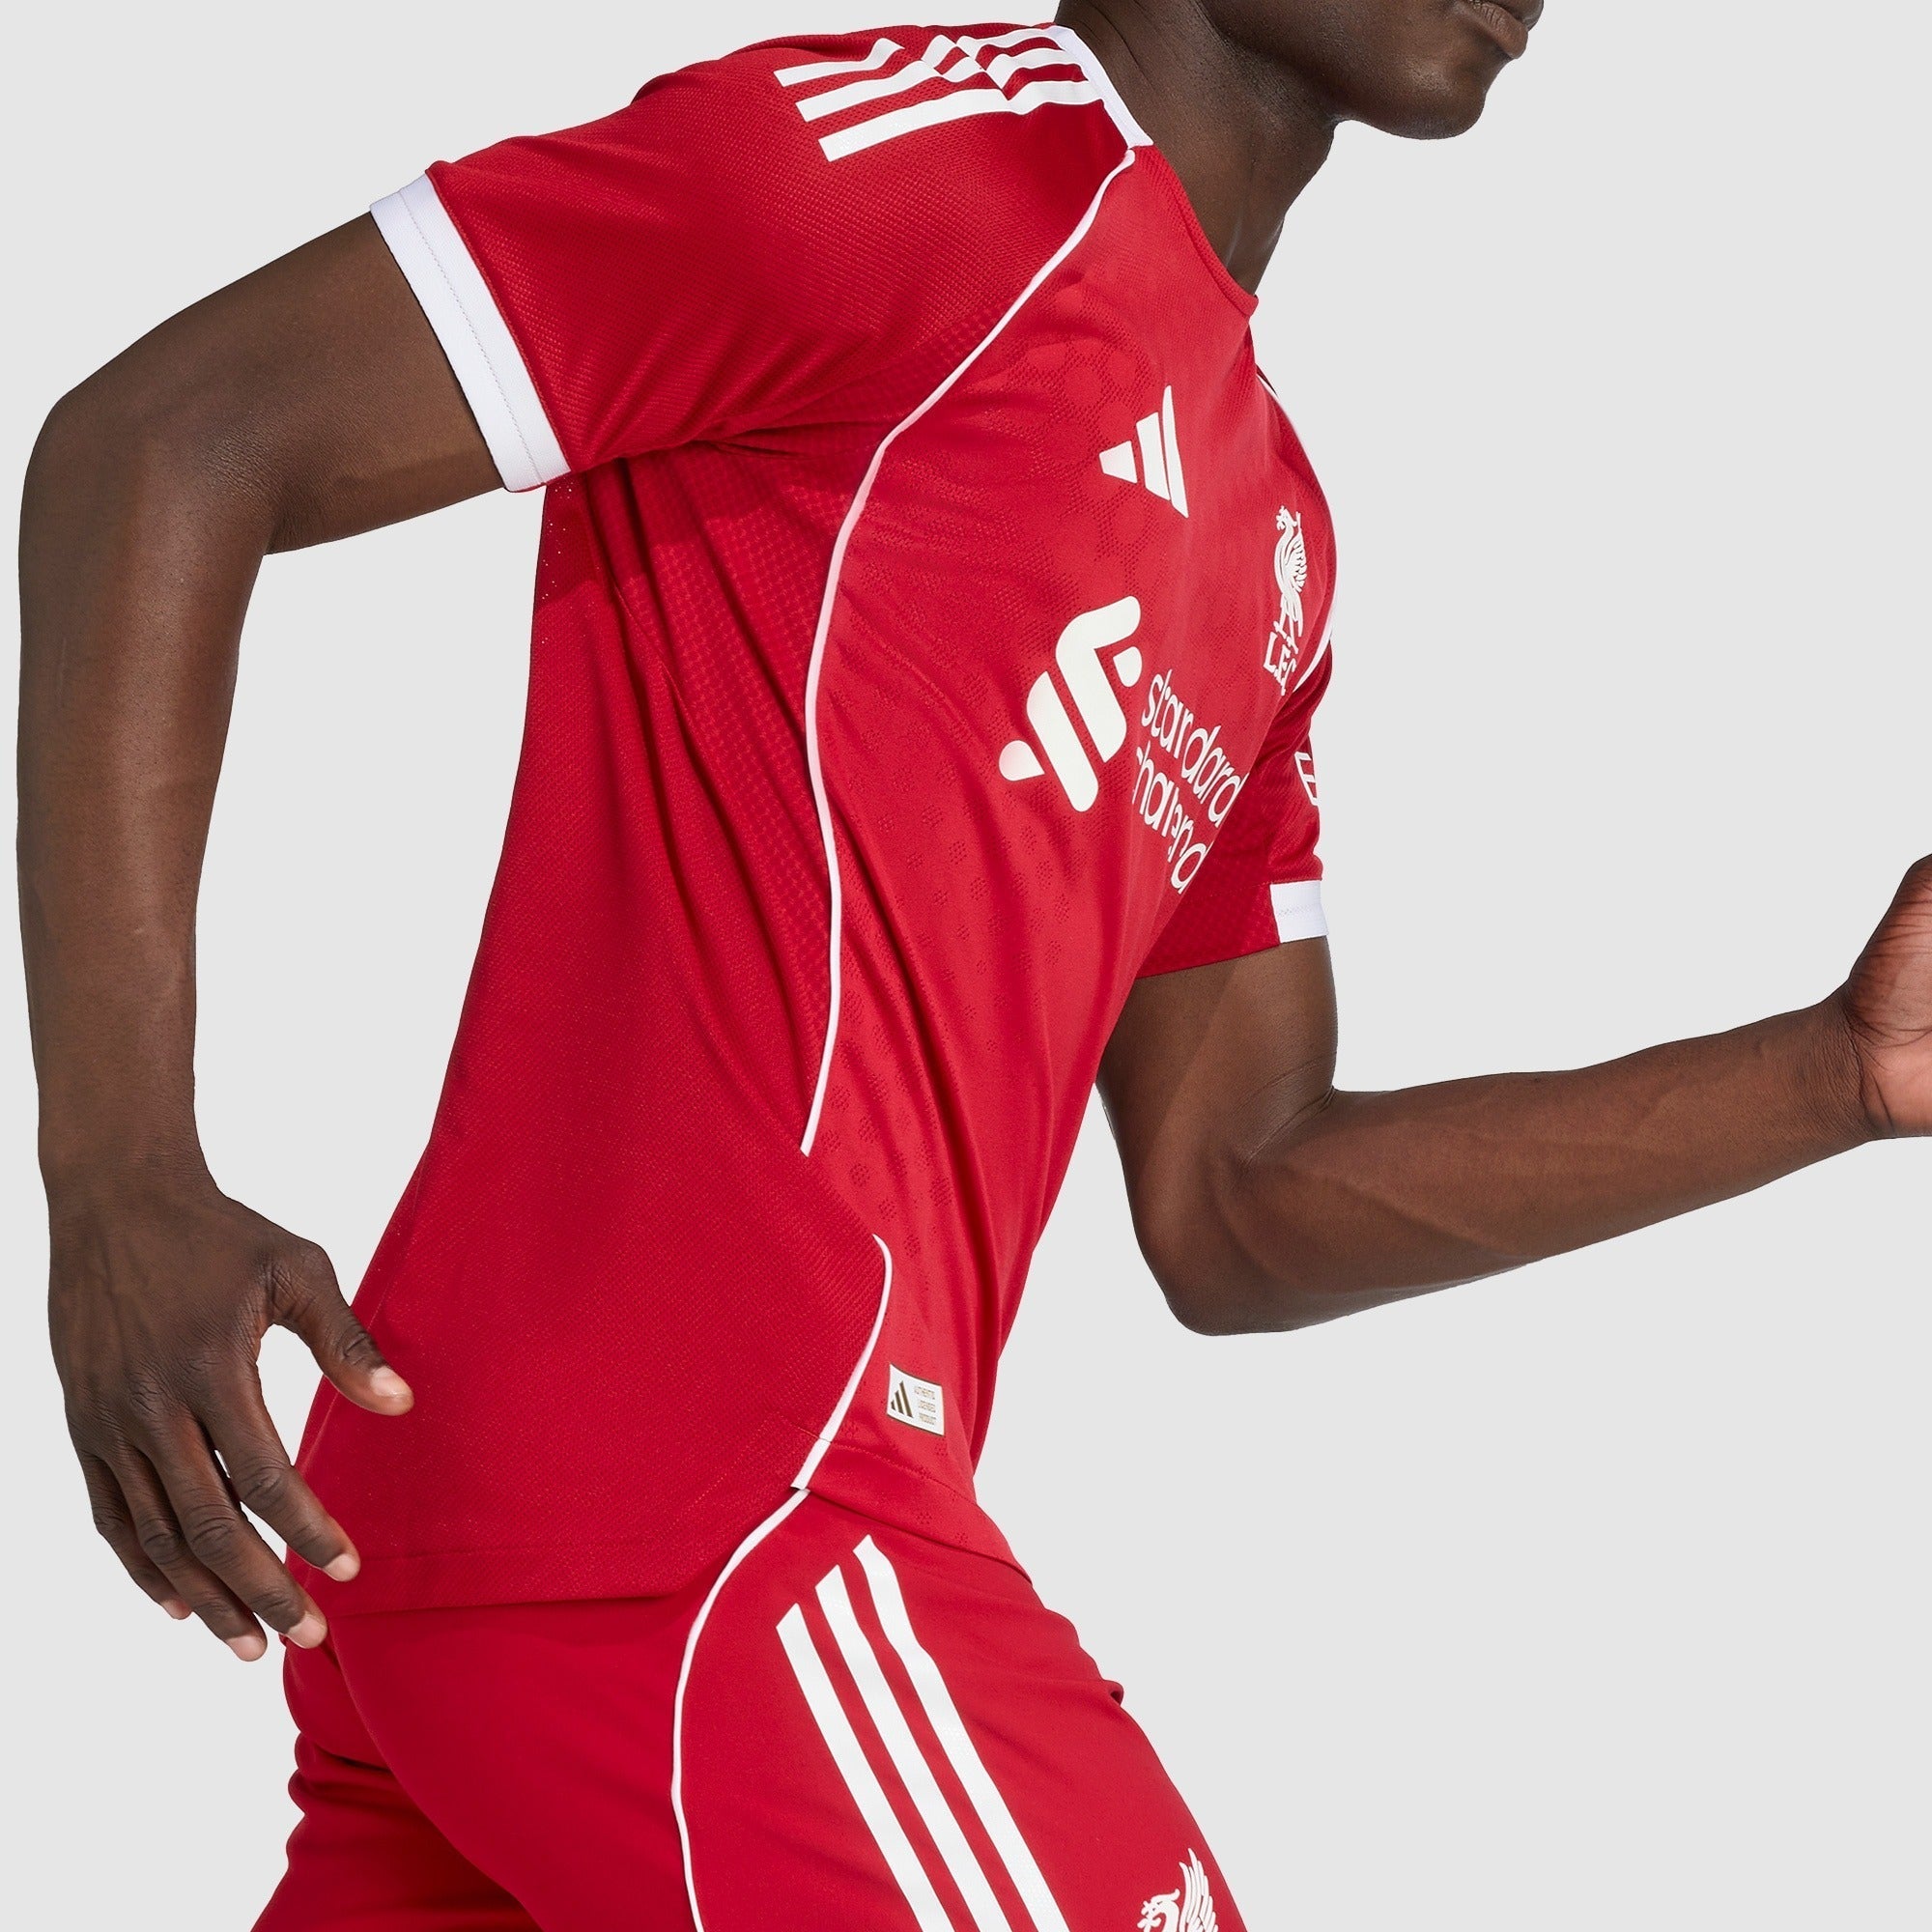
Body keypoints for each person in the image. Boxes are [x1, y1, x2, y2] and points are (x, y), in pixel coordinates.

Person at [17, 2, 1928, 1926]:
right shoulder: (914, 171)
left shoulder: (1271, 528)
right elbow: (165, 442)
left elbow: (1238, 1195)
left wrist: (1840, 1071)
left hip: (536, 1545)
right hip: (707, 1510)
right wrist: (121, 1177)